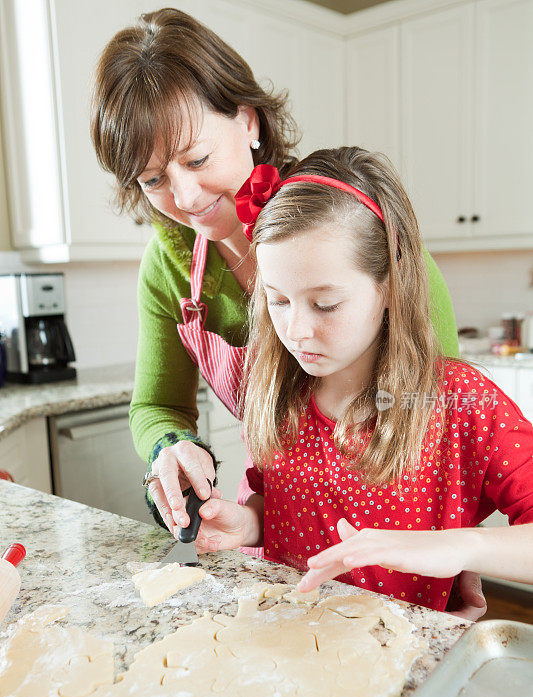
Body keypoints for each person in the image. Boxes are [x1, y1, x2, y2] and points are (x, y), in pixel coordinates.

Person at [90, 9, 482, 616]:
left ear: (247, 121)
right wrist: (171, 447)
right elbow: (157, 404)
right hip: (283, 522)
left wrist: (458, 552)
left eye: (195, 160)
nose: (186, 199)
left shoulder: (354, 226)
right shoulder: (169, 267)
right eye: (152, 180)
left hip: (401, 528)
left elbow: (445, 425)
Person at [192, 147, 533, 613]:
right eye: (278, 300)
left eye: (325, 304)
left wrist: (461, 545)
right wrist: (248, 523)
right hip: (295, 647)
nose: (296, 331)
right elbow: (291, 511)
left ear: (391, 285)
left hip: (403, 664)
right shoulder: (274, 391)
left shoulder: (460, 404)